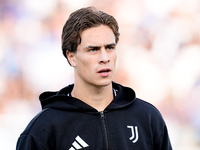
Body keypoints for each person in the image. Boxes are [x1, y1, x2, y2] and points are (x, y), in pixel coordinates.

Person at [16, 6, 172, 150]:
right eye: (93, 50)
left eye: (110, 47)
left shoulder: (147, 118)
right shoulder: (44, 129)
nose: (104, 57)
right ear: (72, 57)